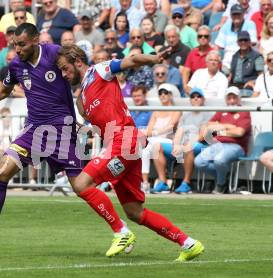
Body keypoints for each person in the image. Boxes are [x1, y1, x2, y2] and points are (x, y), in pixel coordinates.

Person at [0, 23, 137, 257]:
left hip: (62, 132)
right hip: (33, 130)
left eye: (22, 44)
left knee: (80, 187)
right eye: (15, 44)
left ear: (36, 40)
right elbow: (4, 90)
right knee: (2, 172)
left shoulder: (55, 53)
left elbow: (77, 67)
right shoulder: (16, 64)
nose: (18, 49)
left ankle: (121, 231)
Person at [56, 43, 204, 261]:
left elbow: (131, 61)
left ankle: (121, 232)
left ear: (78, 61)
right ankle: (188, 243)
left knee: (81, 184)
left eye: (64, 68)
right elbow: (96, 126)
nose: (63, 74)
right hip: (122, 144)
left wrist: (155, 58)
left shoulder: (99, 70)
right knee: (135, 212)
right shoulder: (81, 100)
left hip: (125, 140)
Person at [153, 88, 212, 194]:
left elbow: (202, 135)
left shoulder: (208, 113)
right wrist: (176, 144)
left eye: (198, 96)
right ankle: (163, 182)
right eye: (193, 97)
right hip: (182, 144)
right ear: (190, 100)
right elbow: (179, 131)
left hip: (199, 145)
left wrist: (187, 144)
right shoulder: (185, 114)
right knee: (157, 147)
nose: (195, 99)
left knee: (187, 148)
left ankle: (186, 183)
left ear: (203, 99)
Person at [194, 86, 252, 194]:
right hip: (218, 144)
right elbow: (208, 126)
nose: (231, 101)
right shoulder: (221, 112)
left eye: (234, 98)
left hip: (236, 146)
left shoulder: (244, 112)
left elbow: (239, 133)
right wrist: (228, 126)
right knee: (199, 162)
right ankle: (224, 177)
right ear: (226, 100)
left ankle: (220, 185)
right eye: (229, 98)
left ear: (239, 99)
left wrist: (220, 129)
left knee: (219, 160)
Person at [143, 83, 182, 192]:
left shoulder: (176, 110)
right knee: (144, 150)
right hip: (154, 141)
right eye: (160, 93)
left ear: (170, 95)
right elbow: (149, 130)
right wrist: (155, 133)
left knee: (149, 147)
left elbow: (170, 127)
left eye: (165, 93)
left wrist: (154, 132)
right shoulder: (156, 111)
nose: (163, 95)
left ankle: (161, 181)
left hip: (168, 141)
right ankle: (145, 183)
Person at [182, 25, 214, 93]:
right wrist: (185, 86)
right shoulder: (192, 52)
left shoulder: (213, 54)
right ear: (197, 38)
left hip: (209, 86)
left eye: (206, 36)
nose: (202, 38)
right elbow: (186, 70)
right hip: (194, 85)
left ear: (210, 38)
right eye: (200, 36)